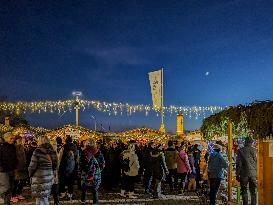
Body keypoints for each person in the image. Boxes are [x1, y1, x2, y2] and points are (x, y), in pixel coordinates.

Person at [28, 135, 57, 205]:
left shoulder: (37, 151)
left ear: (40, 141)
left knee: (41, 198)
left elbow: (32, 166)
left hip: (39, 177)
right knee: (44, 197)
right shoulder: (52, 151)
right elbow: (55, 166)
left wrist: (30, 174)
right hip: (49, 176)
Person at [80, 139, 105, 205]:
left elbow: (81, 164)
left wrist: (82, 171)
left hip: (85, 174)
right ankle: (95, 203)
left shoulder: (84, 152)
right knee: (95, 190)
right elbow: (103, 164)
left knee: (84, 189)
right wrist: (98, 171)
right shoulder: (98, 152)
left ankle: (83, 201)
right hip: (96, 175)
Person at [236, 137, 257, 205]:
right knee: (253, 191)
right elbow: (256, 162)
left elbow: (239, 164)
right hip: (253, 173)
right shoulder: (254, 150)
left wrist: (237, 174)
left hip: (244, 174)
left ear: (245, 142)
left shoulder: (240, 150)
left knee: (244, 190)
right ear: (251, 142)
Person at [0, 133, 18, 205]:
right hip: (4, 171)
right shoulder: (1, 147)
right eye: (11, 138)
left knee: (10, 187)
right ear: (6, 138)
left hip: (12, 170)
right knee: (5, 188)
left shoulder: (13, 146)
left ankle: (7, 202)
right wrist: (1, 167)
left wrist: (15, 166)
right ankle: (5, 200)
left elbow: (15, 157)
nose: (12, 139)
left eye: (13, 138)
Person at [59, 136, 78, 200]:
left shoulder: (64, 147)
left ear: (66, 140)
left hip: (64, 166)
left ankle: (63, 194)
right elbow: (77, 157)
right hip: (72, 166)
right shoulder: (75, 147)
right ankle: (70, 194)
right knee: (71, 182)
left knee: (62, 181)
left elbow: (60, 157)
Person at [13, 136, 28, 202]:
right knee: (15, 182)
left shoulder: (22, 147)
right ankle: (13, 195)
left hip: (23, 167)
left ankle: (19, 193)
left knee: (23, 181)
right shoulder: (14, 147)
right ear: (16, 140)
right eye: (19, 140)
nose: (20, 141)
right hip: (16, 168)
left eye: (21, 140)